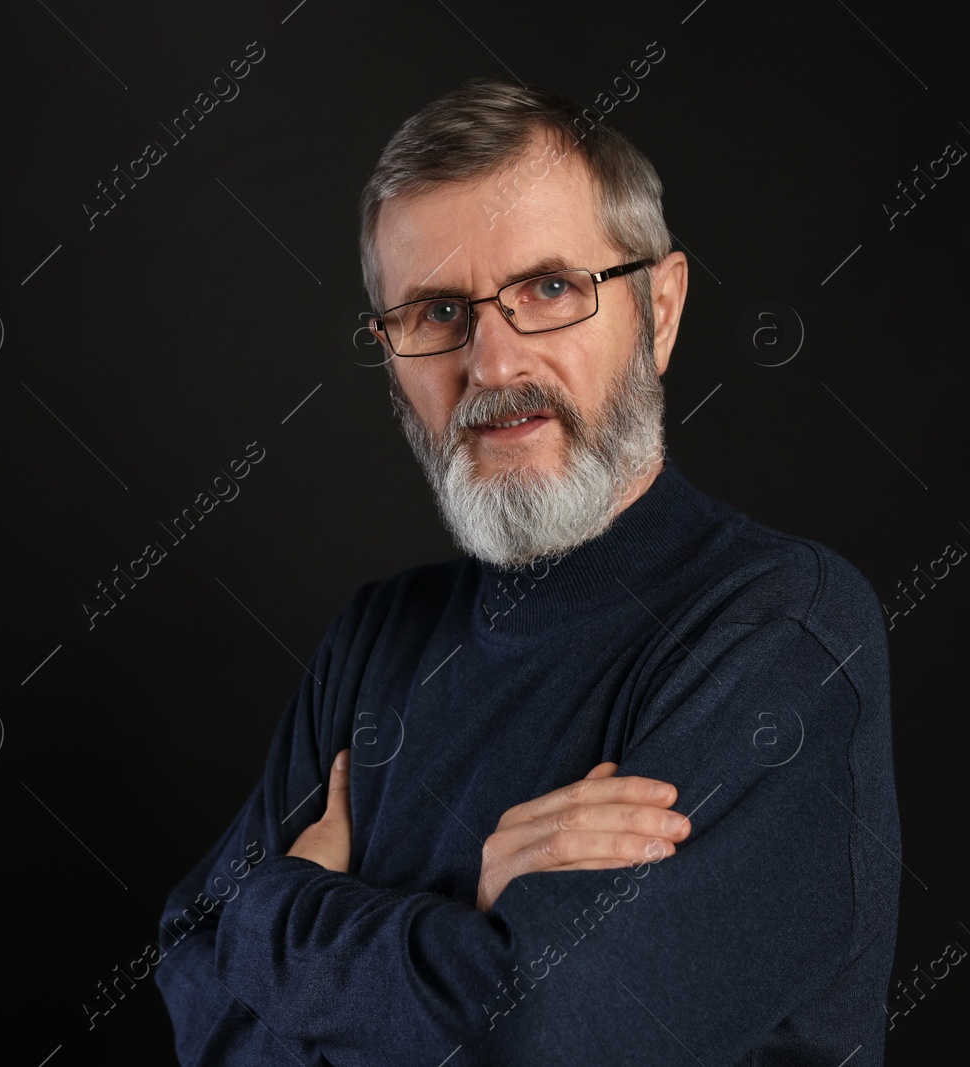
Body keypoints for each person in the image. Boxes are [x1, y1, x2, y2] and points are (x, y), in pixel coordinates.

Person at [153, 79, 900, 1066]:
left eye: (548, 288)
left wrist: (280, 909)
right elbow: (189, 979)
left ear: (659, 309)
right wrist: (473, 936)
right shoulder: (375, 639)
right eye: (435, 311)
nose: (491, 363)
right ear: (389, 353)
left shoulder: (780, 633)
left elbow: (550, 1034)